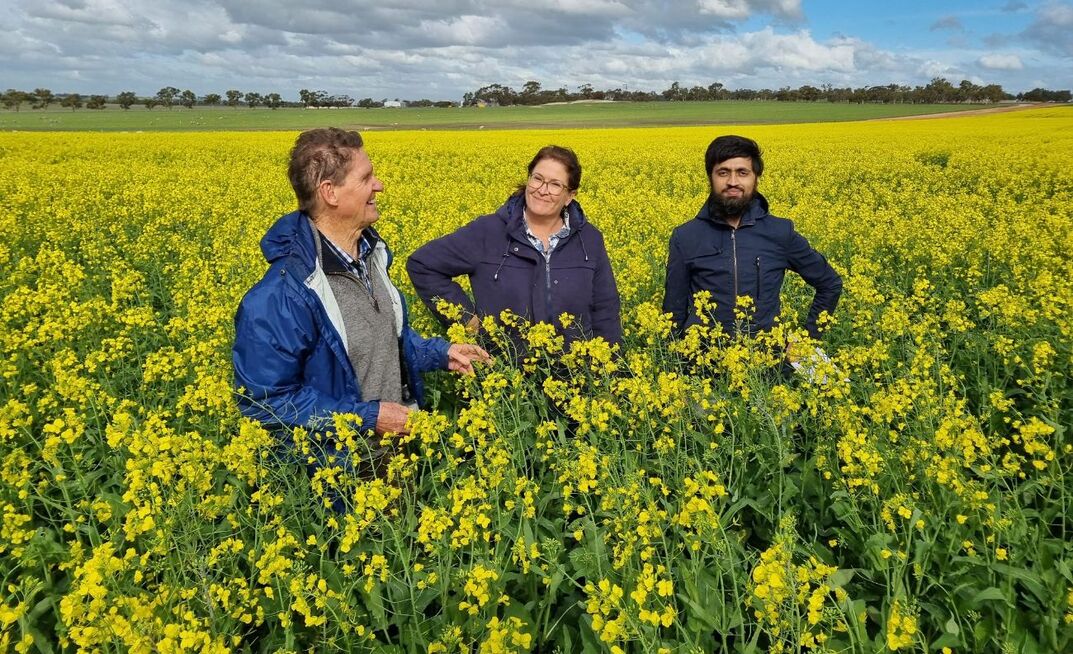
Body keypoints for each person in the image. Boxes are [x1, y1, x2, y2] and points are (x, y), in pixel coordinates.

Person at [232, 128, 489, 455]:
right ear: (330, 193)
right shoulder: (281, 295)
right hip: (336, 476)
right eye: (366, 177)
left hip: (395, 456)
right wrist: (368, 418)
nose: (379, 185)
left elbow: (383, 339)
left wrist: (440, 353)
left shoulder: (371, 258)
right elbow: (266, 403)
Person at [406, 146, 622, 350]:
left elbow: (606, 309)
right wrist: (467, 320)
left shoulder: (589, 240)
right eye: (537, 179)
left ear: (570, 196)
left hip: (576, 377)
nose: (542, 190)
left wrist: (608, 372)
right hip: (505, 374)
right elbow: (423, 265)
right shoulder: (488, 232)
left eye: (555, 185)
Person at [663, 135, 842, 343]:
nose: (732, 182)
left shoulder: (780, 232)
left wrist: (809, 340)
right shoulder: (686, 237)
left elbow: (830, 283)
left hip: (767, 366)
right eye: (723, 173)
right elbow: (673, 310)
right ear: (710, 177)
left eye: (742, 173)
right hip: (705, 366)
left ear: (755, 178)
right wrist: (675, 361)